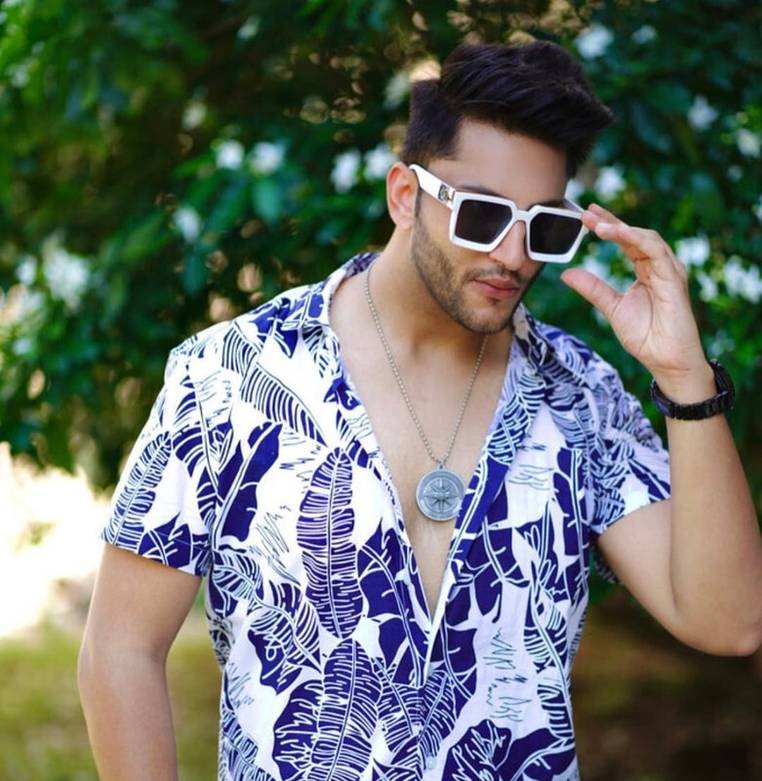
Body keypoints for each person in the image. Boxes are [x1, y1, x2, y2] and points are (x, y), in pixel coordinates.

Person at [78, 40, 762, 781]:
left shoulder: (580, 396)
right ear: (405, 195)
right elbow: (122, 646)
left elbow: (731, 621)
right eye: (482, 216)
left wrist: (685, 377)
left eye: (544, 227)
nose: (513, 255)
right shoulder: (231, 375)